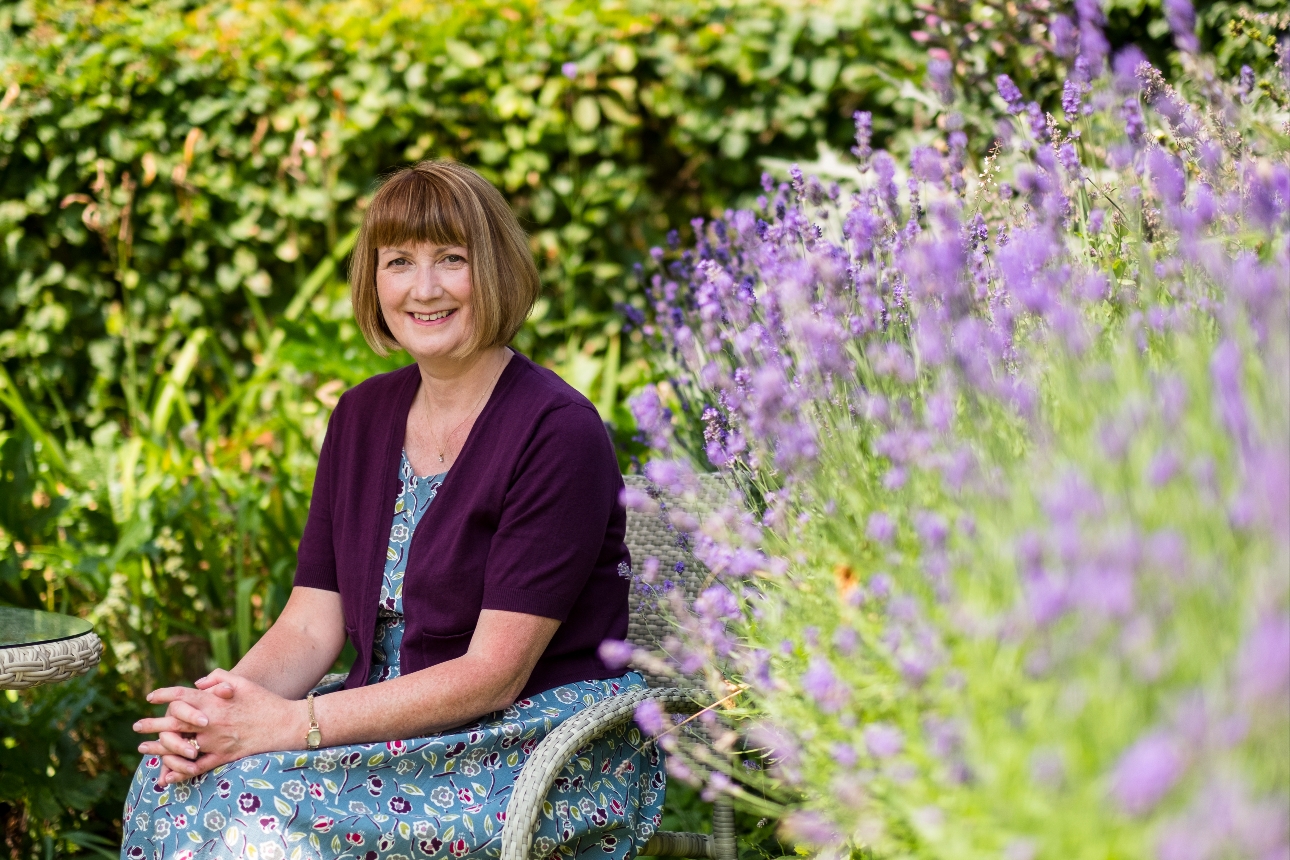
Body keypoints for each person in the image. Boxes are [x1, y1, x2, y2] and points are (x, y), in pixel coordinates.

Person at [123, 161, 664, 860]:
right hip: (387, 731)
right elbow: (311, 624)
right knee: (169, 778)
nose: (424, 288)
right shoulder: (361, 416)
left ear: (495, 269)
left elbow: (492, 674)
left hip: (529, 747)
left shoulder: (556, 429)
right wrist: (218, 714)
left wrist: (287, 726)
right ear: (373, 280)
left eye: (451, 260)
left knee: (250, 807)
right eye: (399, 261)